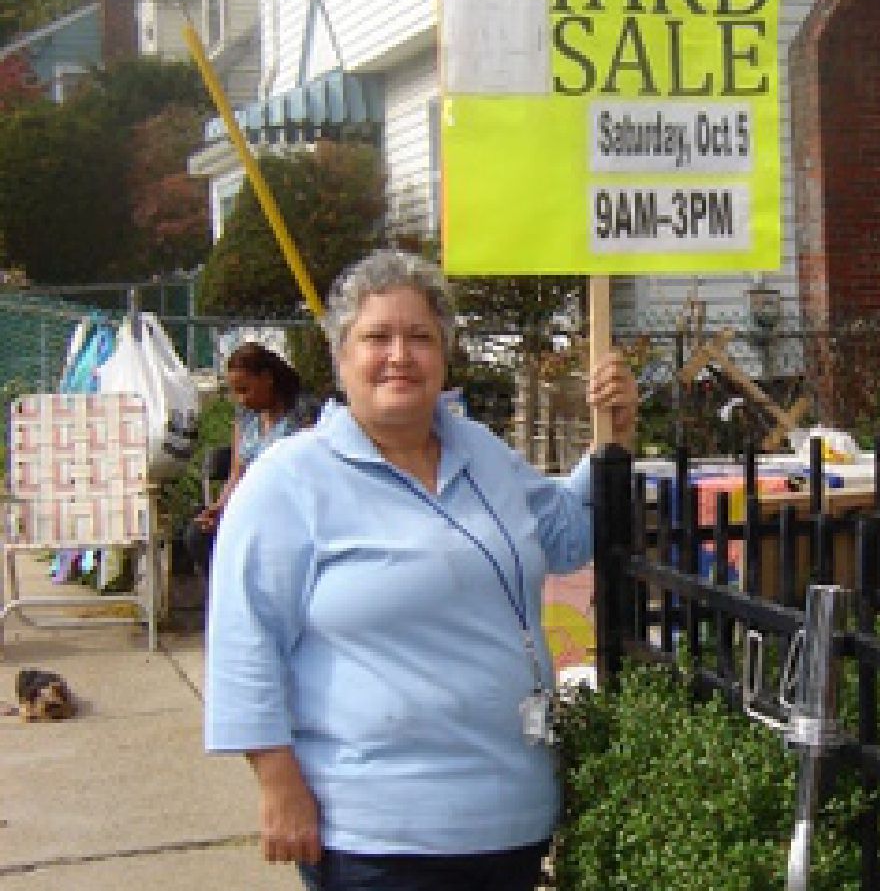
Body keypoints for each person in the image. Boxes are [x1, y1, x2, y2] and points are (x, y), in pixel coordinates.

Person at [203, 249, 638, 891]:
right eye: (377, 337)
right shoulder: (289, 481)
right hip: (376, 837)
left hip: (510, 820)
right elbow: (244, 643)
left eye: (420, 338)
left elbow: (570, 535)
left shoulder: (481, 452)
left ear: (444, 355)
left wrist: (616, 434)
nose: (400, 356)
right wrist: (278, 782)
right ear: (340, 355)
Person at [185, 341, 316, 575]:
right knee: (199, 535)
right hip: (249, 509)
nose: (240, 399)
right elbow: (238, 472)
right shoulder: (245, 417)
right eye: (235, 392)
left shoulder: (301, 414)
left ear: (267, 378)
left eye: (245, 390)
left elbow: (311, 474)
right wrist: (220, 507)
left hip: (288, 512)